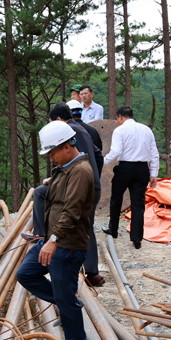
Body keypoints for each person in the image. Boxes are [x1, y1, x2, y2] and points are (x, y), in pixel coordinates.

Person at [15, 121, 95, 340]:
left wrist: (52, 240)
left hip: (66, 245)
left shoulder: (80, 171)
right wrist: (55, 181)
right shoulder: (68, 168)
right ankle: (67, 300)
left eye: (52, 152)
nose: (51, 158)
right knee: (26, 273)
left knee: (64, 297)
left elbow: (71, 211)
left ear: (66, 146)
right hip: (56, 241)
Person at [28, 103, 105, 286]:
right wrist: (93, 176)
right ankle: (91, 272)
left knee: (40, 193)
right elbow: (98, 156)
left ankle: (42, 236)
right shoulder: (85, 130)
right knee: (87, 225)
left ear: (58, 121)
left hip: (79, 181)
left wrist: (74, 176)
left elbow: (70, 210)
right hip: (91, 182)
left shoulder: (67, 131)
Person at [102, 107, 159, 249]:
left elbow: (116, 151)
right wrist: (154, 174)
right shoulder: (146, 130)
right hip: (142, 169)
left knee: (116, 198)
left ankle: (113, 229)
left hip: (125, 168)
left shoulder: (119, 130)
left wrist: (102, 162)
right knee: (138, 204)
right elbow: (154, 153)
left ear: (120, 117)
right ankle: (137, 238)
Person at [68, 100, 104, 173]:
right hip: (91, 172)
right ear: (81, 112)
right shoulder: (92, 131)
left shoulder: (68, 131)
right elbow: (99, 154)